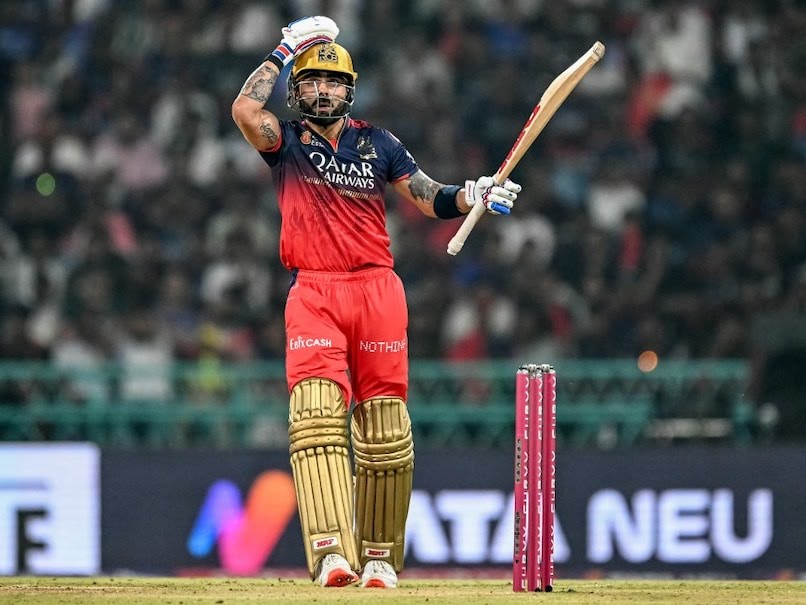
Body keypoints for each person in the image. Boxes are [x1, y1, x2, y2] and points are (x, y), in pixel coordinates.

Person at [231, 16, 521, 588]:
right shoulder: (284, 142)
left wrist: (475, 194)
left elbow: (429, 197)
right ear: (296, 88)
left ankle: (380, 558)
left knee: (385, 429)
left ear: (350, 89)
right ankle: (331, 554)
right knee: (315, 417)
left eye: (333, 82)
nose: (323, 91)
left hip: (377, 290)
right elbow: (244, 110)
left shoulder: (379, 142)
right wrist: (286, 47)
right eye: (312, 81)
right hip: (314, 289)